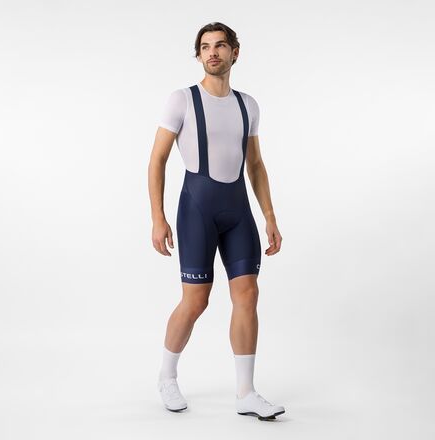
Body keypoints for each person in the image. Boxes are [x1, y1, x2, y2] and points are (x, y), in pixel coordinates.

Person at [148, 22, 285, 421]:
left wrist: (270, 216)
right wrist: (157, 217)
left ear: (234, 53)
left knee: (248, 294)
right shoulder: (182, 100)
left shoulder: (248, 105)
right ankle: (167, 376)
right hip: (197, 210)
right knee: (196, 300)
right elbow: (157, 160)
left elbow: (255, 164)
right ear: (198, 55)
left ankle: (246, 392)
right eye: (205, 46)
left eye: (220, 45)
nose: (212, 52)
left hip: (238, 211)